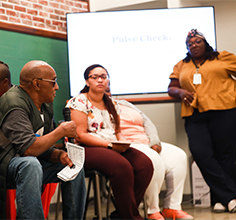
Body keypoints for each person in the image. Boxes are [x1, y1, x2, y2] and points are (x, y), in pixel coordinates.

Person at [0, 60, 86, 219]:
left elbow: (43, 142)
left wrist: (58, 155)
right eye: (54, 81)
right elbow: (29, 148)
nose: (57, 87)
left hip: (21, 160)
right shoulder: (14, 104)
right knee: (30, 164)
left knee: (73, 166)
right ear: (37, 84)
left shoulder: (45, 104)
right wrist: (61, 131)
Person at [66, 64, 154, 220]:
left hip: (112, 147)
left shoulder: (112, 103)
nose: (100, 80)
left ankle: (120, 215)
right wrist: (109, 145)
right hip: (86, 148)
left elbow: (117, 131)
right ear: (87, 82)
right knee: (122, 166)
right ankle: (131, 217)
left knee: (145, 165)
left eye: (104, 76)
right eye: (95, 77)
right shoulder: (79, 101)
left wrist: (122, 143)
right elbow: (80, 135)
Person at [168, 28, 236, 213]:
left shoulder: (223, 57)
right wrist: (180, 91)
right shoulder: (182, 64)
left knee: (226, 156)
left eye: (197, 42)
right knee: (201, 154)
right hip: (194, 114)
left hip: (225, 110)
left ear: (206, 43)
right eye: (190, 44)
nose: (194, 45)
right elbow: (171, 87)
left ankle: (221, 200)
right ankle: (230, 196)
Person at [105, 86, 193, 220]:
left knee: (178, 155)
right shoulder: (96, 109)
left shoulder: (124, 104)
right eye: (103, 90)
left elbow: (147, 123)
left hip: (146, 142)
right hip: (127, 145)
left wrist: (155, 142)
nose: (107, 92)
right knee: (152, 159)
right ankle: (153, 210)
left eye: (108, 89)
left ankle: (172, 207)